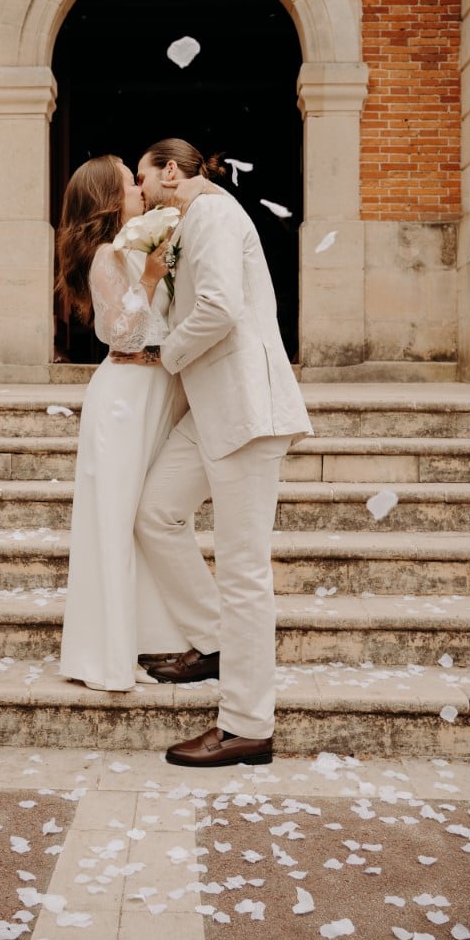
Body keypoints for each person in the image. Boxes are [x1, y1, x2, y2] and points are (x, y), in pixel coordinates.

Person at [131, 138, 314, 767]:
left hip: (246, 408)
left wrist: (164, 354)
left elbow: (218, 309)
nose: (141, 191)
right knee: (155, 512)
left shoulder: (211, 214)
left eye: (144, 178)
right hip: (211, 412)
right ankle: (212, 642)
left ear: (172, 173)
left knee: (243, 570)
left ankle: (246, 725)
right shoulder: (194, 220)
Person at [56, 154, 189, 692]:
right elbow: (122, 333)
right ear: (110, 198)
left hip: (146, 393)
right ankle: (107, 656)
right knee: (112, 521)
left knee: (136, 518)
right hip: (123, 398)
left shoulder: (126, 247)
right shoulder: (107, 254)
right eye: (129, 184)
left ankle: (143, 639)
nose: (140, 190)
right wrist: (154, 278)